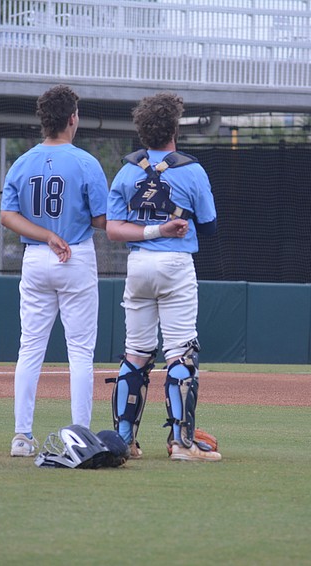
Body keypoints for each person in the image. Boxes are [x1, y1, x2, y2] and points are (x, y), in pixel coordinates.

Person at [106, 92, 221, 462]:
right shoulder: (192, 169)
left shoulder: (126, 171)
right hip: (175, 266)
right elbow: (210, 226)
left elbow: (112, 230)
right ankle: (181, 444)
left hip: (138, 265)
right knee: (180, 354)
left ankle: (125, 442)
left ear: (142, 130)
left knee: (136, 354)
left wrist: (149, 228)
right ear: (174, 128)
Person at [0, 85, 108, 457]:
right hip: (74, 255)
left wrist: (45, 234)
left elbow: (7, 216)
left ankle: (21, 436)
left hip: (36, 257)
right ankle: (80, 437)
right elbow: (100, 218)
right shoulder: (85, 162)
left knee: (29, 349)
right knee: (80, 352)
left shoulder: (22, 162)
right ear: (72, 118)